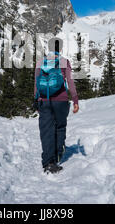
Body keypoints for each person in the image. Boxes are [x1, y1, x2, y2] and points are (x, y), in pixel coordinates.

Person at [34, 38, 79, 174]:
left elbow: (36, 82)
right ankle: (58, 155)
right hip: (61, 101)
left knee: (46, 130)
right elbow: (70, 82)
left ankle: (48, 161)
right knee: (60, 127)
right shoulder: (64, 62)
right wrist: (75, 100)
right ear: (61, 48)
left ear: (49, 47)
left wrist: (36, 99)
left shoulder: (41, 62)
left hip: (44, 100)